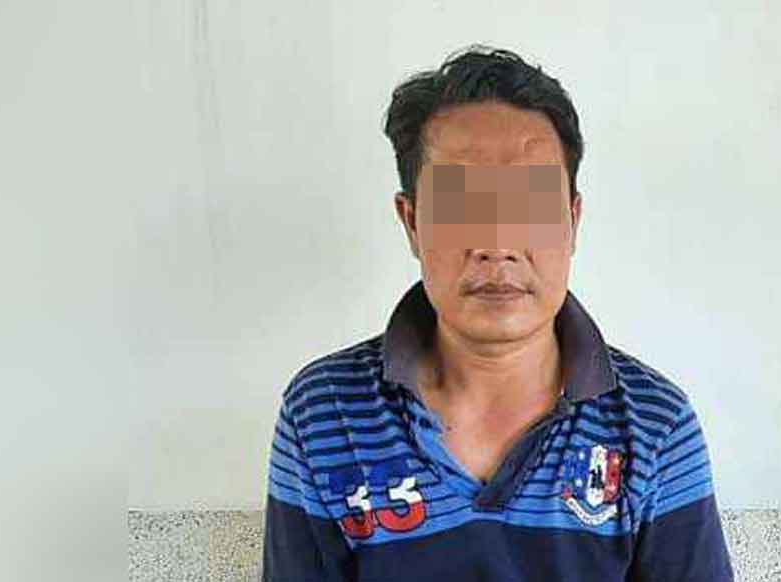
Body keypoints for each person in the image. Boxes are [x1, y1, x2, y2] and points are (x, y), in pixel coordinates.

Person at [262, 44, 734, 582]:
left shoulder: (653, 425)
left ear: (572, 220)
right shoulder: (325, 414)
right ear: (412, 222)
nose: (497, 244)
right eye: (461, 206)